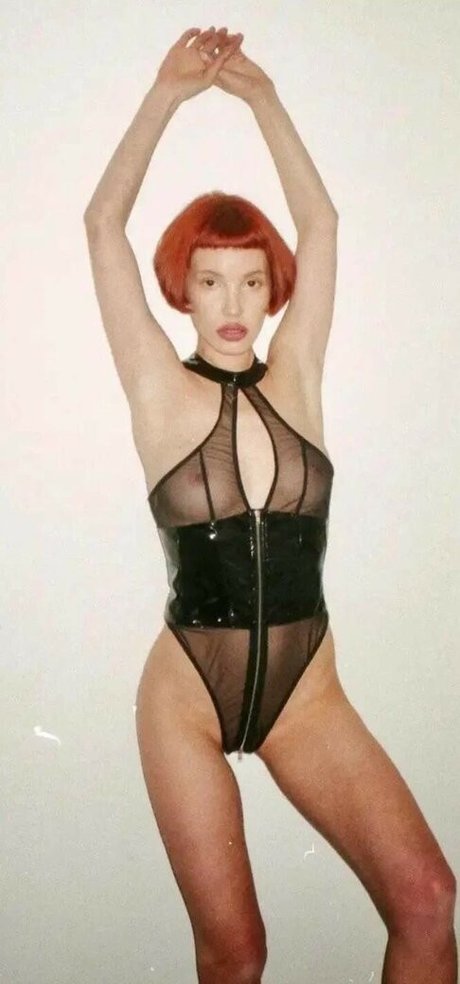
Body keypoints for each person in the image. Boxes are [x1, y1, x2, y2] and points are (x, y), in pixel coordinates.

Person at [83, 25, 457, 984]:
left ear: (272, 289)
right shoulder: (159, 388)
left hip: (307, 693)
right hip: (188, 700)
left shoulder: (298, 376)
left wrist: (261, 96)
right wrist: (168, 93)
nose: (233, 303)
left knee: (427, 899)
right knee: (238, 953)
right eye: (211, 281)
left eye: (251, 281)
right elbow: (102, 224)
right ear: (184, 289)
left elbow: (322, 223)